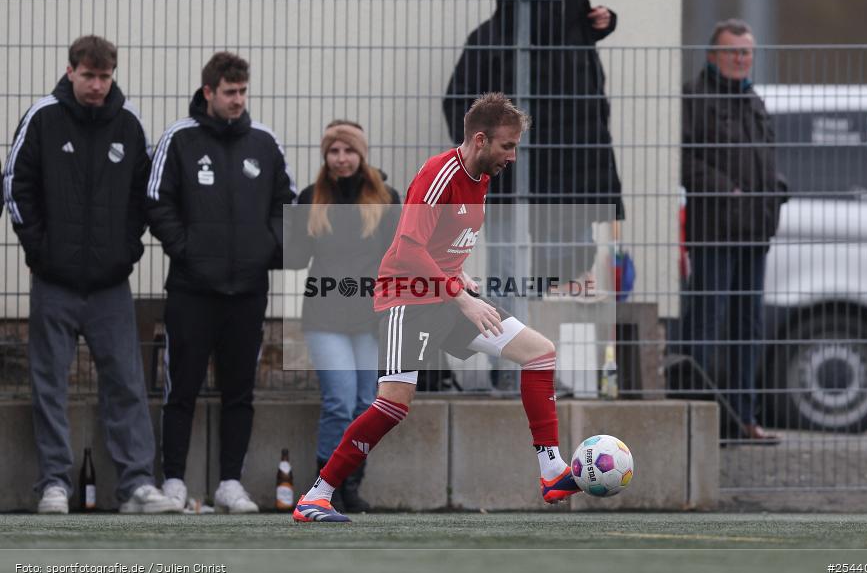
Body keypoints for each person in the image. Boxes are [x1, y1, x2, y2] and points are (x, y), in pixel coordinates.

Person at [293, 92, 580, 523]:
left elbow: (439, 243)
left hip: (444, 295)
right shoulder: (438, 174)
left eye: (516, 146)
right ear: (480, 140)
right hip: (407, 299)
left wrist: (458, 277)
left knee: (539, 353)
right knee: (393, 404)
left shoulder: (481, 176)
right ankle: (317, 495)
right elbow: (407, 247)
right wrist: (461, 296)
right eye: (508, 146)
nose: (513, 156)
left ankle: (552, 469)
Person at [2, 35, 181, 514]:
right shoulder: (41, 119)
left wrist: (123, 254)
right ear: (70, 71)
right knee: (49, 384)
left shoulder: (128, 123)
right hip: (53, 283)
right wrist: (41, 253)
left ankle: (137, 485)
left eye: (105, 77)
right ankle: (54, 484)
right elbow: (16, 187)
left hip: (109, 286)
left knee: (125, 381)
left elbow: (144, 196)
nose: (97, 86)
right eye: (89, 76)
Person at [146, 52, 297, 512]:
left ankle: (230, 482)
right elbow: (155, 201)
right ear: (208, 91)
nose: (237, 100)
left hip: (248, 292)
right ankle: (173, 481)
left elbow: (285, 206)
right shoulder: (179, 139)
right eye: (229, 92)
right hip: (192, 290)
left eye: (242, 92)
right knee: (180, 389)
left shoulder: (264, 143)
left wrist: (264, 251)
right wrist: (187, 249)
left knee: (240, 392)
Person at [443, 0, 624, 293]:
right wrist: (483, 153)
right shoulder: (492, 40)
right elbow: (459, 103)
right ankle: (511, 334)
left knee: (563, 271)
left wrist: (603, 22)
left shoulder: (575, 40)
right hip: (516, 174)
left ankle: (534, 333)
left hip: (568, 173)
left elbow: (594, 110)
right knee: (513, 270)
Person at [680, 19, 787, 442]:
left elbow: (767, 157)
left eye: (747, 52)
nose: (742, 59)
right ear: (713, 55)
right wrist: (729, 190)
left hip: (756, 231)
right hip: (716, 230)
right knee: (707, 323)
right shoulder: (695, 98)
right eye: (733, 51)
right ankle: (700, 419)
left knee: (749, 325)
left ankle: (744, 418)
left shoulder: (754, 100)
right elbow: (685, 161)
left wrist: (777, 188)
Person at [293, 120, 400, 512]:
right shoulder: (311, 197)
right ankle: (327, 486)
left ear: (361, 154)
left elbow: (400, 255)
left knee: (364, 405)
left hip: (370, 318)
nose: (341, 158)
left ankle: (351, 484)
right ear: (326, 155)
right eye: (334, 151)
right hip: (325, 317)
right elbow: (295, 254)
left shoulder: (386, 198)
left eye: (349, 150)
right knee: (338, 401)